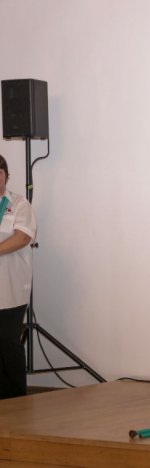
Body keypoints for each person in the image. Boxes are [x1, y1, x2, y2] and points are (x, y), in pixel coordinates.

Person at [0, 154, 37, 399]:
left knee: (8, 345)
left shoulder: (19, 204)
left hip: (10, 290)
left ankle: (15, 400)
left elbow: (22, 237)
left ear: (6, 176)